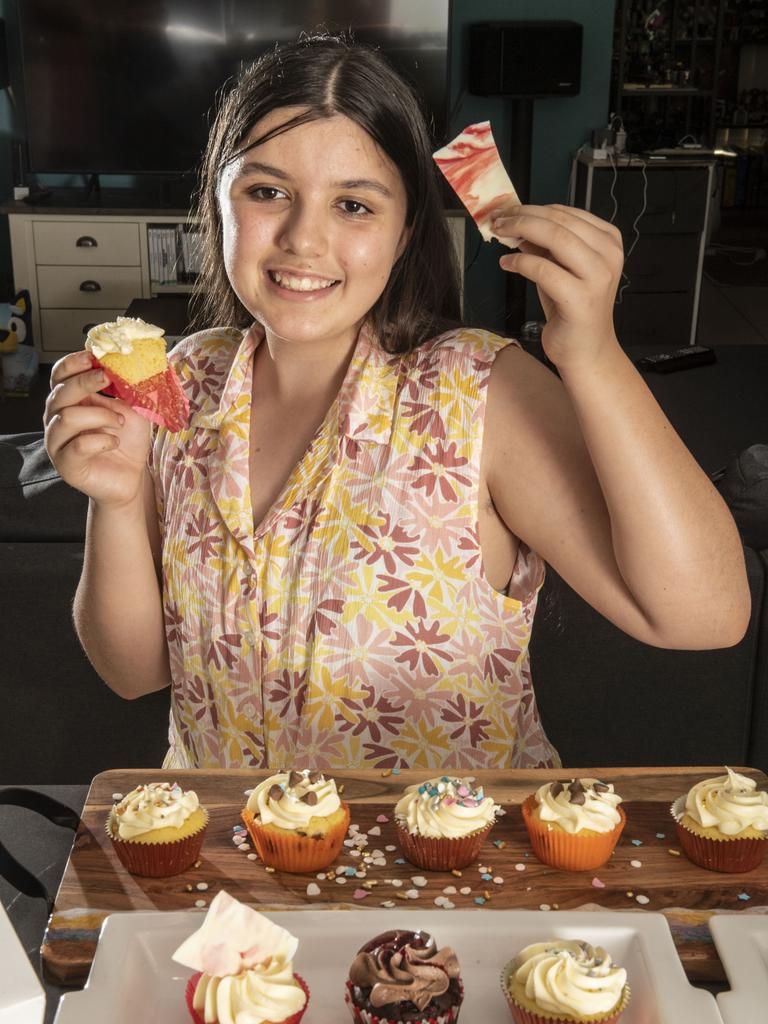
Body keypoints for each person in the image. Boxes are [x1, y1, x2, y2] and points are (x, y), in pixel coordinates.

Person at [43, 35, 750, 771]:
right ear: (219, 201)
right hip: (228, 868)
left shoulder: (480, 392)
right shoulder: (182, 384)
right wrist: (119, 499)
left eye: (353, 204)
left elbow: (703, 616)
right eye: (266, 191)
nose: (303, 238)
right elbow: (134, 674)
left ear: (407, 229)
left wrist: (594, 356)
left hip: (443, 874)